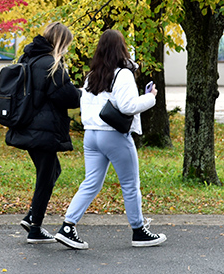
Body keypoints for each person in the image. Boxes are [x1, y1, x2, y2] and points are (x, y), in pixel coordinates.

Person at [54, 29, 166, 250]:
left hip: (91, 135)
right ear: (121, 49)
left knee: (90, 183)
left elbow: (84, 104)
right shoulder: (122, 74)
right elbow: (128, 107)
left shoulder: (91, 75)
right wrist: (150, 98)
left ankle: (67, 226)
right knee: (130, 185)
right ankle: (138, 231)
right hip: (113, 135)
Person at [5, 22, 81, 244]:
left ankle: (32, 218)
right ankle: (34, 226)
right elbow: (68, 97)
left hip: (26, 125)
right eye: (66, 44)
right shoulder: (51, 64)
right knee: (46, 176)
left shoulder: (28, 58)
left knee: (51, 171)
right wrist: (79, 90)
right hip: (42, 131)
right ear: (60, 42)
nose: (67, 49)